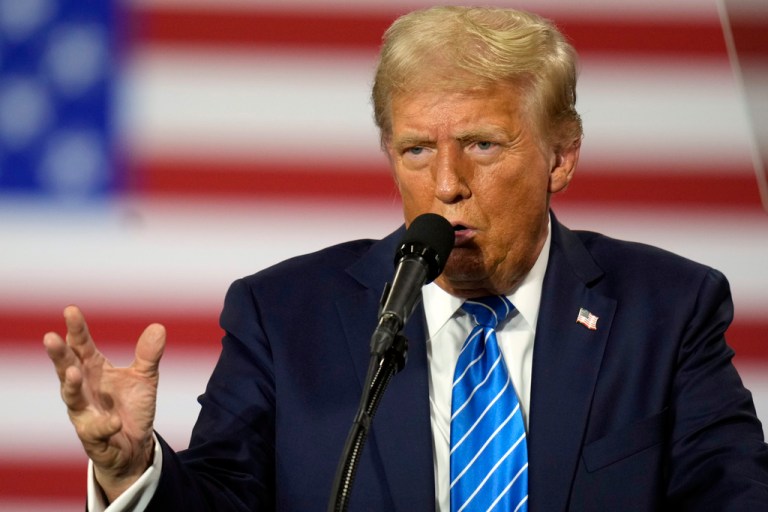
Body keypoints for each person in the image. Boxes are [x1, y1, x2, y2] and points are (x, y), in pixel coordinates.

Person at [44, 6, 768, 511]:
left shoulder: (666, 310)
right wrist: (131, 469)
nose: (447, 183)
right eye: (417, 150)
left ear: (562, 155)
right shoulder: (285, 317)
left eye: (483, 144)